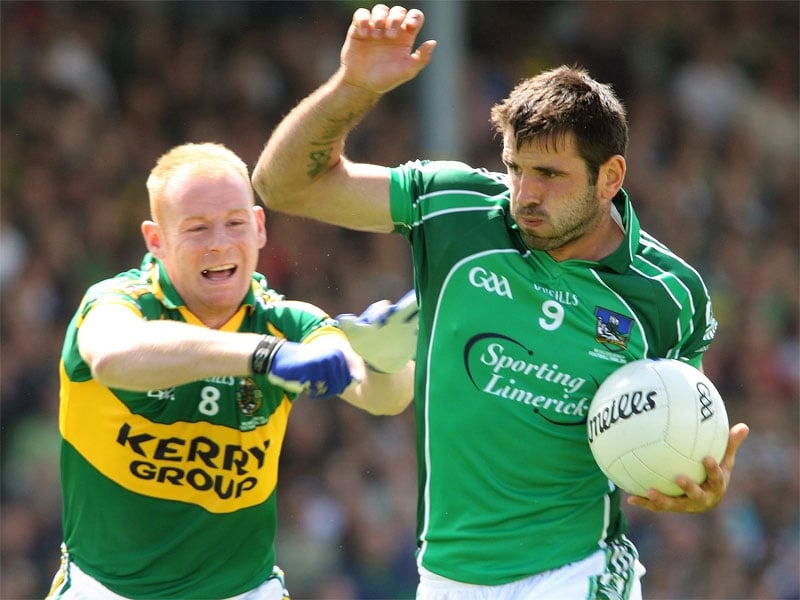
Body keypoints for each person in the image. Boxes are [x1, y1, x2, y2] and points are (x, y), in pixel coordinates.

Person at [250, 5, 751, 599]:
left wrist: (698, 482)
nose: (525, 194)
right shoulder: (454, 209)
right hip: (446, 577)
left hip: (578, 571)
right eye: (515, 168)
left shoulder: (670, 294)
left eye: (550, 175)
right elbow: (281, 185)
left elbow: (680, 427)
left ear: (610, 177)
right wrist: (351, 87)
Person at [47, 142, 415, 600]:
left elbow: (382, 397)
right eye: (197, 228)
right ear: (156, 240)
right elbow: (112, 355)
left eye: (235, 223)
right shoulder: (117, 302)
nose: (220, 243)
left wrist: (385, 360)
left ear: (259, 227)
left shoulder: (288, 321)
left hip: (244, 591)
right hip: (105, 590)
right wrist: (264, 355)